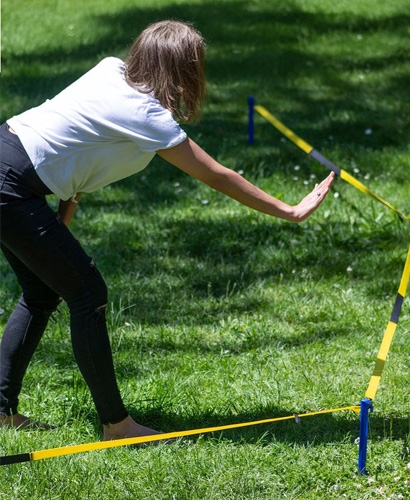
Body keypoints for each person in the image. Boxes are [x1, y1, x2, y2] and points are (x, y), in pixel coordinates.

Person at [0, 20, 334, 441]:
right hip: (12, 187)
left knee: (43, 291)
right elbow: (215, 174)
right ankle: (117, 426)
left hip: (8, 163)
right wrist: (291, 210)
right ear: (185, 69)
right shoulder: (146, 116)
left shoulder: (110, 70)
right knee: (87, 294)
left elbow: (73, 154)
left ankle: (2, 411)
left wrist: (59, 228)